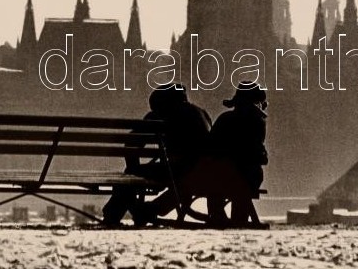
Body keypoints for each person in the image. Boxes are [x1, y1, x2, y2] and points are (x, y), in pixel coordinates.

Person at [101, 83, 212, 225]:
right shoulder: (201, 113)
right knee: (183, 186)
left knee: (130, 173)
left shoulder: (163, 114)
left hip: (178, 169)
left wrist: (134, 174)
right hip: (202, 171)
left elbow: (131, 144)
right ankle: (148, 211)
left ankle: (113, 214)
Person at [208, 81, 269, 225]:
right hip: (249, 177)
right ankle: (238, 220)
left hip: (222, 176)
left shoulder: (225, 119)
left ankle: (218, 217)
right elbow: (259, 156)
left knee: (215, 182)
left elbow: (210, 148)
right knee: (242, 185)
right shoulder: (257, 122)